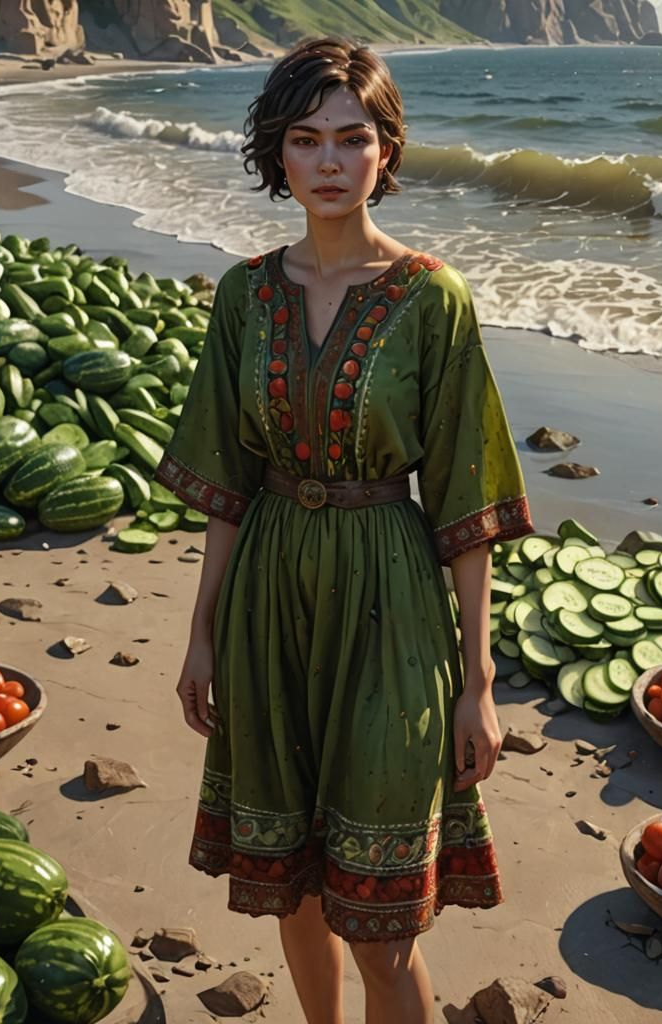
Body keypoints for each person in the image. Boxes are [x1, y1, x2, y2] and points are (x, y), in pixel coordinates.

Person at [158, 37, 534, 1024]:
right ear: (275, 155)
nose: (329, 161)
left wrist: (477, 684)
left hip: (391, 599)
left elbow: (464, 507)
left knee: (383, 920)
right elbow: (230, 488)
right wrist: (200, 632)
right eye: (306, 138)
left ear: (385, 152)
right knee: (294, 880)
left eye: (352, 138)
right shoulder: (243, 295)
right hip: (268, 593)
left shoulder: (430, 300)